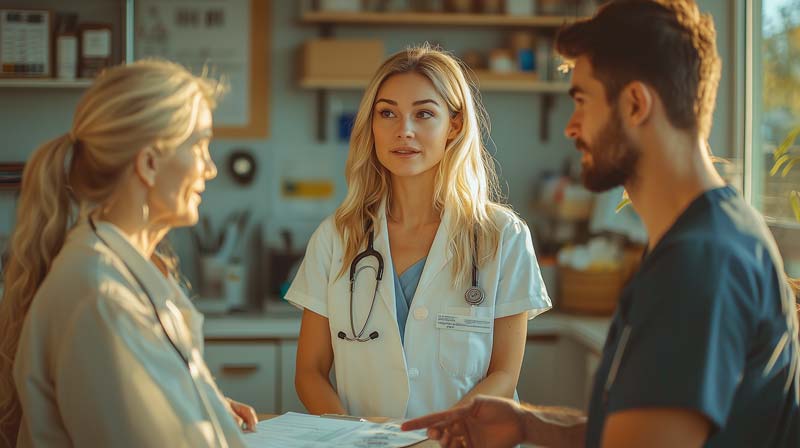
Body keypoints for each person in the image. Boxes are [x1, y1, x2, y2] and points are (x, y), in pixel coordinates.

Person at [402, 1, 800, 447]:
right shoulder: (717, 233)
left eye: (582, 101)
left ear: (634, 104)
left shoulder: (698, 263)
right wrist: (530, 425)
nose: (572, 127)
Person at [0, 60, 257, 448]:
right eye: (200, 146)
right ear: (150, 163)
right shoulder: (102, 298)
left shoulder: (118, 269)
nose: (211, 168)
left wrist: (203, 404)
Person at [287, 45, 552, 419]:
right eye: (388, 113)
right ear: (372, 124)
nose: (403, 130)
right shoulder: (337, 236)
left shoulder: (502, 236)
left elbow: (504, 375)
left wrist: (439, 438)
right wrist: (355, 439)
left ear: (454, 125)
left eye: (424, 113)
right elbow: (309, 373)